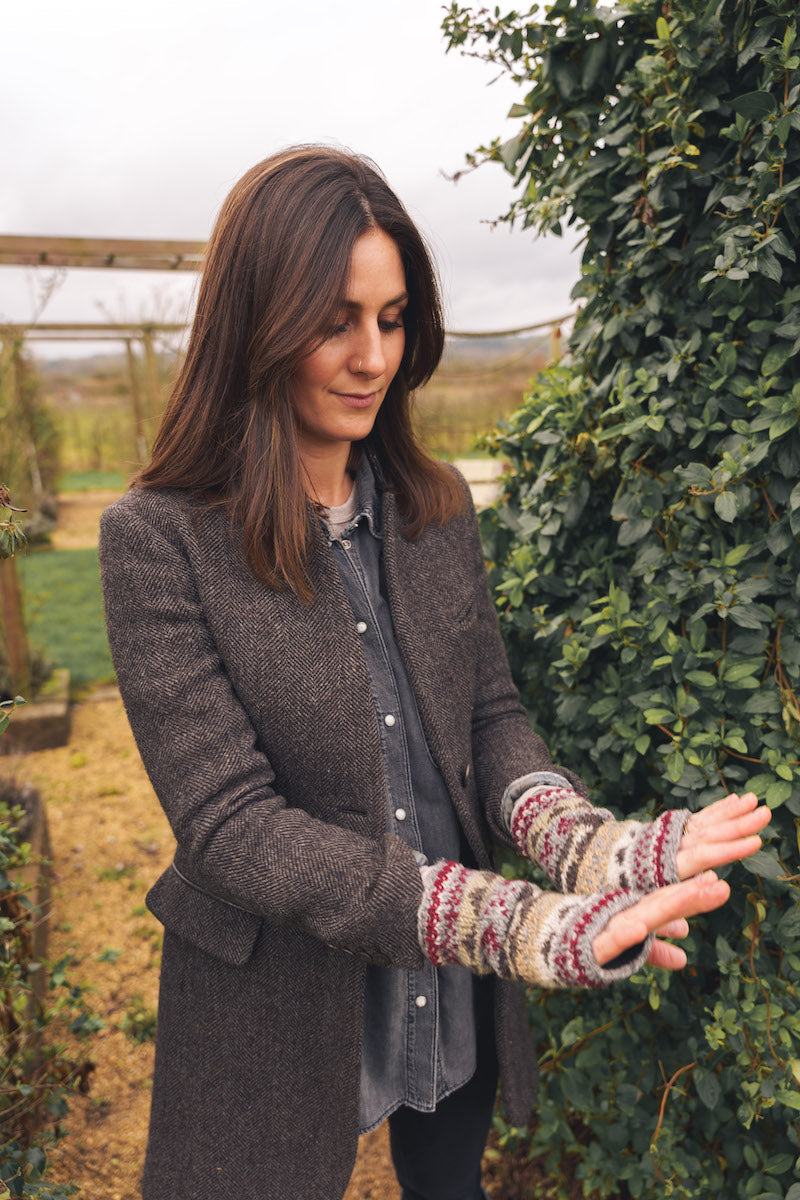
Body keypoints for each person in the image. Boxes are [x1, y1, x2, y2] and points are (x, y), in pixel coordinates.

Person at [99, 146, 770, 1200]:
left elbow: (486, 716)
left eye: (392, 316)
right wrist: (514, 924)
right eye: (334, 321)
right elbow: (228, 825)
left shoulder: (431, 505)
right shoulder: (159, 540)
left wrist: (592, 848)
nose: (372, 356)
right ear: (255, 322)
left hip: (438, 985)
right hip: (273, 991)